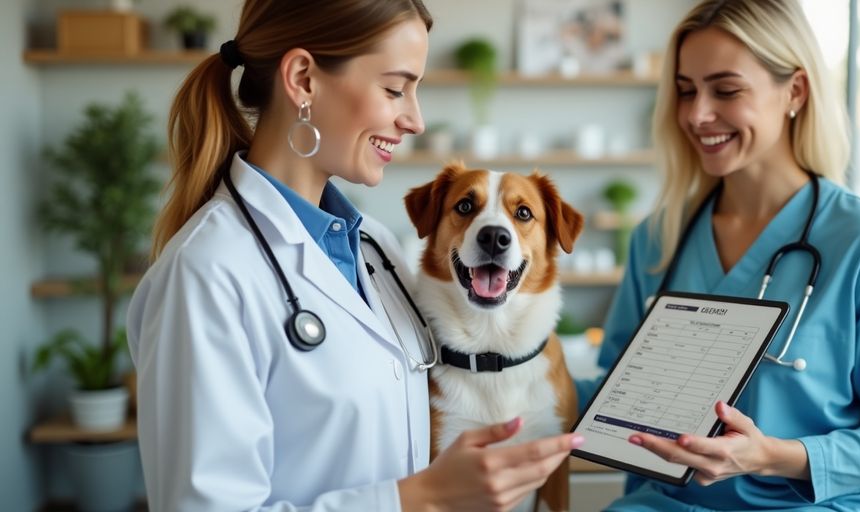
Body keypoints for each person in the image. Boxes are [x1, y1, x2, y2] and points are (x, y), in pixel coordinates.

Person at [127, 1, 582, 510]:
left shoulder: (377, 249)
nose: (414, 119)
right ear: (302, 79)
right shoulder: (205, 274)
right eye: (394, 88)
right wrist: (419, 497)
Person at [574, 0, 860, 510]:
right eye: (686, 91)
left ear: (794, 91)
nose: (696, 114)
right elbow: (612, 394)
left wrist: (772, 456)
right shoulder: (660, 236)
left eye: (726, 90)